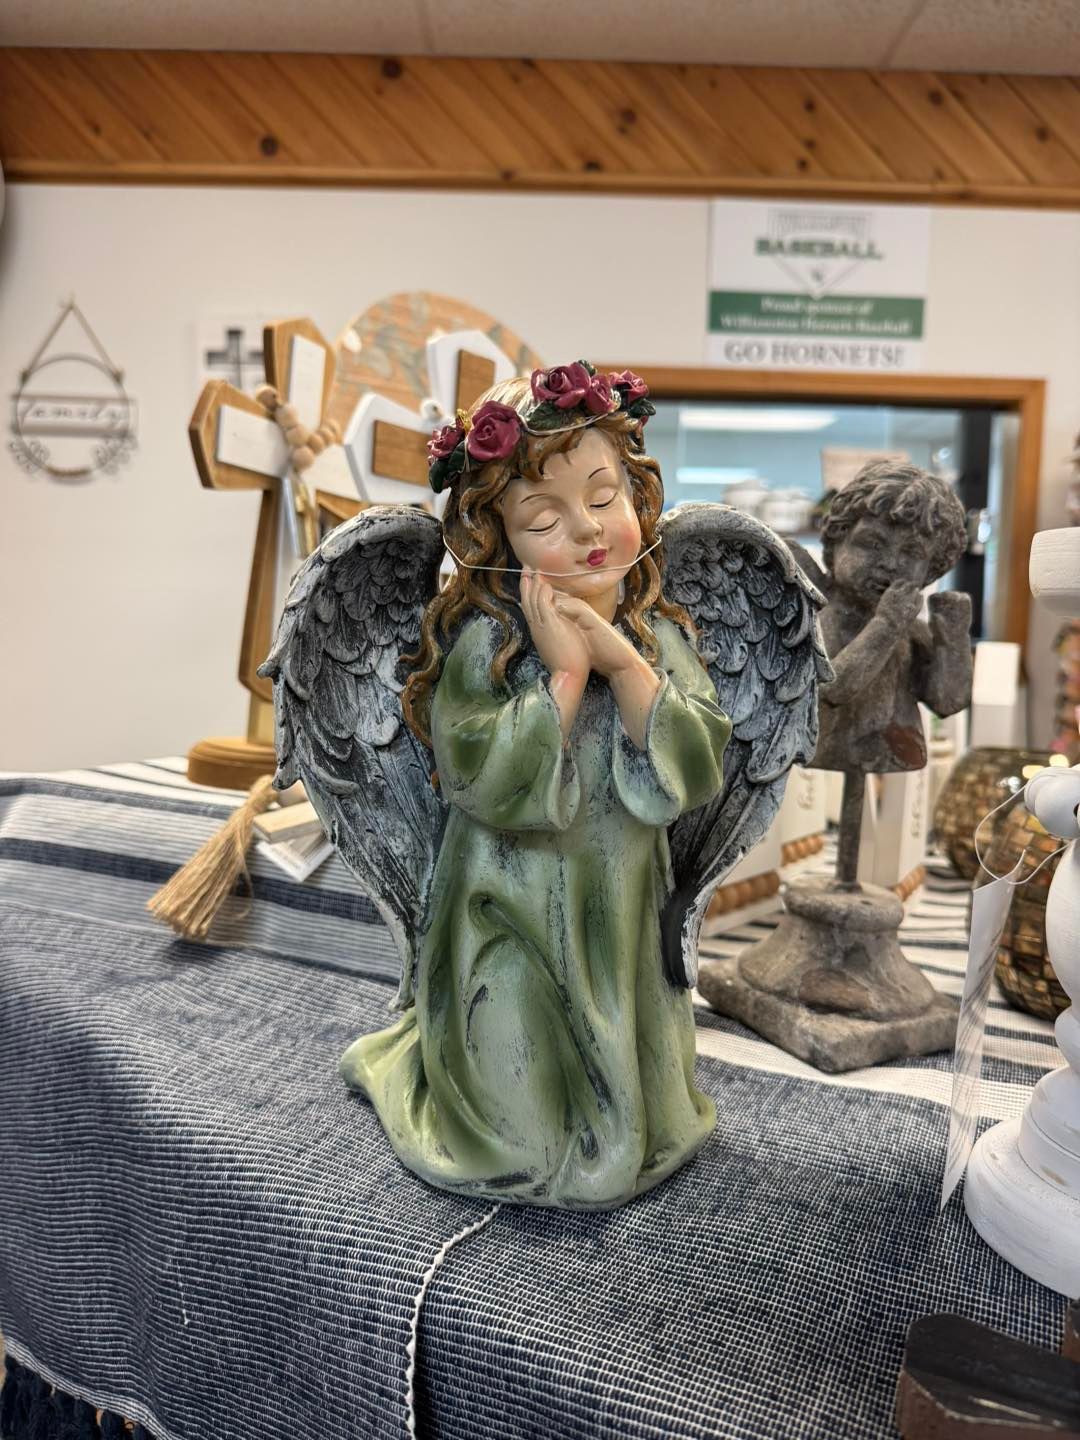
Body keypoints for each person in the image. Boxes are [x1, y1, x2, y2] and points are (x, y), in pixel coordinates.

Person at [339, 364, 732, 1208]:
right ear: (498, 540)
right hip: (501, 914)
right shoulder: (485, 643)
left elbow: (698, 761)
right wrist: (560, 679)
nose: (587, 531)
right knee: (516, 1142)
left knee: (628, 1114)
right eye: (543, 518)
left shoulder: (658, 635)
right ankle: (454, 1058)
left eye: (603, 496)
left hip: (618, 913)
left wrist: (620, 661)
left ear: (637, 495)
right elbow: (474, 775)